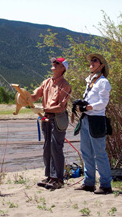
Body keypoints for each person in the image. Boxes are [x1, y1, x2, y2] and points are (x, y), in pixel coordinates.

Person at [30, 57, 71, 190]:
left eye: (57, 63)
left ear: (63, 68)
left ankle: (58, 178)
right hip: (46, 118)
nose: (53, 64)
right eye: (53, 63)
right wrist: (25, 96)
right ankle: (49, 176)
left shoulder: (66, 85)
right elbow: (35, 95)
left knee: (56, 147)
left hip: (58, 118)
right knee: (47, 147)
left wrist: (43, 109)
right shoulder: (46, 82)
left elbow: (60, 107)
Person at [74, 53, 113, 194]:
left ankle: (105, 185)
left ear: (101, 65)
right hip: (86, 119)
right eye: (91, 60)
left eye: (95, 61)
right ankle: (89, 183)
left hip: (96, 120)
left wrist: (88, 107)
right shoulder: (90, 81)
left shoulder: (103, 82)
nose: (91, 62)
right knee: (86, 153)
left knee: (99, 153)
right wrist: (81, 106)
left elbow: (103, 103)